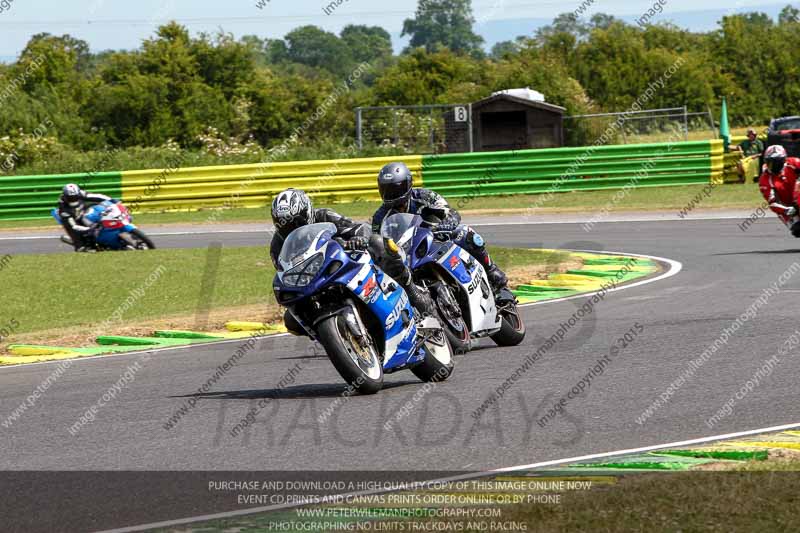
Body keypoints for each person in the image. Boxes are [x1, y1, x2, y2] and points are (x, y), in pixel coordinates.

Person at [270, 188, 433, 336]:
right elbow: (285, 274)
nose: (291, 229)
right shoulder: (277, 246)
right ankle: (335, 336)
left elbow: (360, 229)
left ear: (308, 213)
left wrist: (358, 239)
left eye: (296, 223)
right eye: (284, 226)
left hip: (346, 262)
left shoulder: (324, 216)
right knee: (291, 320)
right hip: (315, 281)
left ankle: (411, 290)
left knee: (377, 243)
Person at [371, 162, 509, 293]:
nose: (392, 194)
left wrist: (441, 227)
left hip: (434, 241)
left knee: (464, 232)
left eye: (396, 189)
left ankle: (491, 271)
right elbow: (377, 244)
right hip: (406, 256)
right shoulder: (379, 217)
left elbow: (451, 213)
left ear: (408, 184)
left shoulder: (425, 196)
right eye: (387, 190)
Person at [758, 145, 800, 236]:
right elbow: (772, 203)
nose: (773, 165)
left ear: (783, 160)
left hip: (798, 197)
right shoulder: (764, 179)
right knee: (797, 230)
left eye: (776, 162)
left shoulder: (794, 163)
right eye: (770, 162)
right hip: (787, 208)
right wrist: (786, 210)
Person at [56, 184, 111, 251]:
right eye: (70, 198)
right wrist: (88, 229)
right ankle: (79, 245)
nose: (73, 199)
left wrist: (111, 200)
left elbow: (97, 196)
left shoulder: (82, 193)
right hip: (73, 216)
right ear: (65, 196)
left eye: (75, 197)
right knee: (71, 227)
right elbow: (73, 226)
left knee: (100, 207)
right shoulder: (63, 208)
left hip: (84, 208)